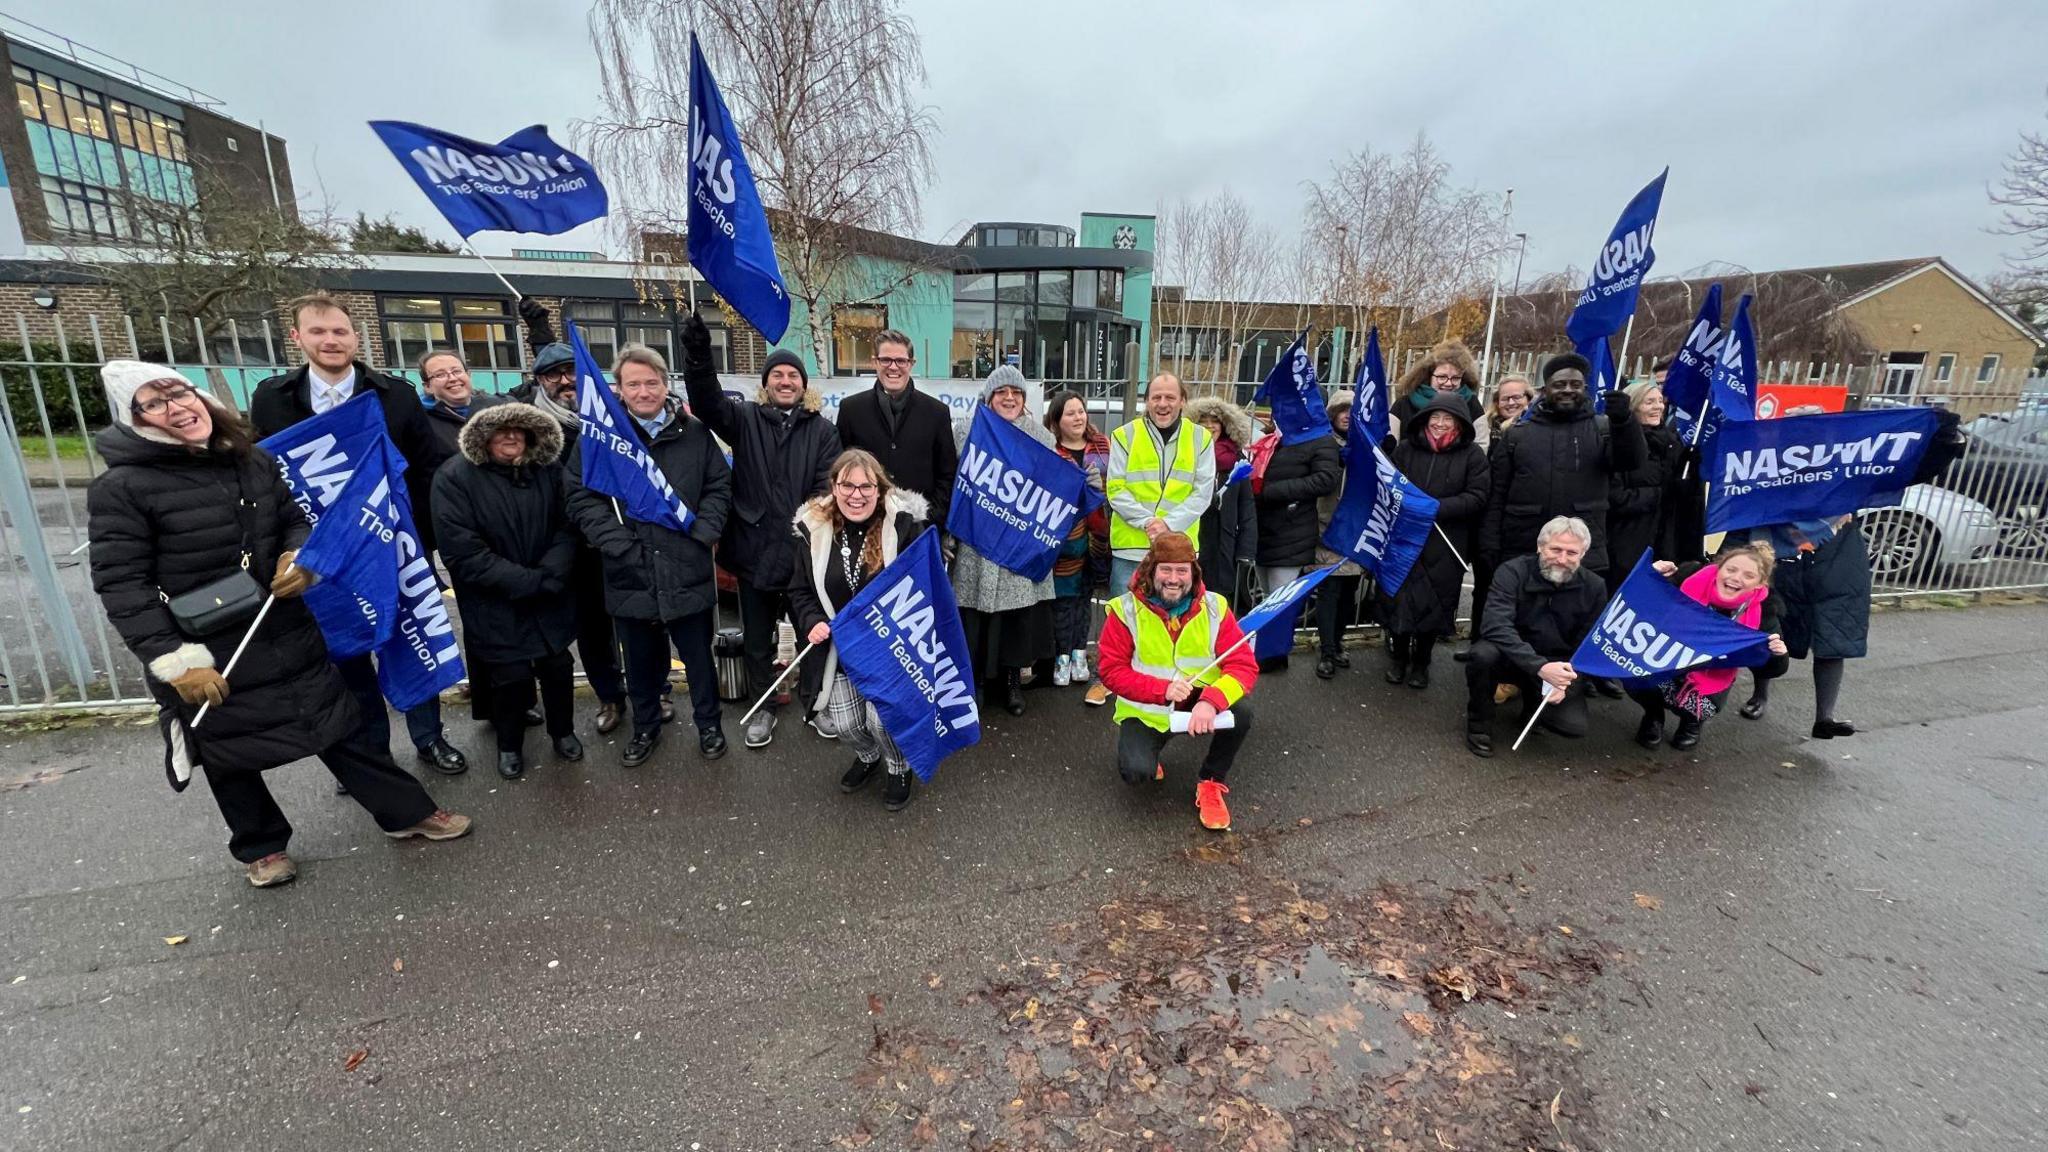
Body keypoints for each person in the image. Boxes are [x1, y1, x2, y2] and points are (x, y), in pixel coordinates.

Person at [87, 362, 470, 888]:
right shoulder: (122, 488)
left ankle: (405, 814)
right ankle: (261, 847)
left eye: (178, 392)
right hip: (205, 645)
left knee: (339, 725)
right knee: (227, 752)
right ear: (138, 422)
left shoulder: (252, 460)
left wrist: (298, 554)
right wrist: (176, 660)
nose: (175, 408)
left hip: (282, 624)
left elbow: (292, 515)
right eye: (153, 403)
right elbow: (121, 584)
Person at [248, 293, 466, 777]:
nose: (331, 340)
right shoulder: (272, 398)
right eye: (319, 331)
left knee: (412, 641)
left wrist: (424, 541)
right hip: (322, 556)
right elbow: (267, 480)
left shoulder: (395, 395)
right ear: (297, 337)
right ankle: (373, 756)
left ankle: (430, 739)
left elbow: (427, 469)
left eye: (340, 331)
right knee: (347, 657)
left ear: (356, 337)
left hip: (394, 547)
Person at [565, 343, 733, 766]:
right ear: (618, 389)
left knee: (698, 659)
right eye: (634, 383)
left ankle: (710, 725)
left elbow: (718, 485)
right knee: (639, 663)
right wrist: (616, 542)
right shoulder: (599, 438)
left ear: (665, 384)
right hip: (629, 569)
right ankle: (645, 729)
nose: (644, 391)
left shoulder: (693, 432)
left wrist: (704, 531)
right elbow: (581, 497)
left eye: (651, 382)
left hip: (686, 563)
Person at [680, 313, 840, 748]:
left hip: (804, 557)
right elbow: (707, 401)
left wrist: (800, 531)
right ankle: (763, 708)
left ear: (804, 385)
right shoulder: (744, 418)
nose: (785, 381)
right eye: (777, 374)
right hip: (752, 552)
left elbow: (826, 486)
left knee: (813, 635)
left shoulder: (823, 430)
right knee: (757, 641)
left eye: (793, 375)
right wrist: (698, 354)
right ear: (766, 383)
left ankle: (816, 703)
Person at [1479, 352, 1643, 698]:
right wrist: (1490, 542)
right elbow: (1497, 494)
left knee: (1580, 614)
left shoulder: (1602, 429)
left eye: (1575, 384)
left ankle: (1582, 675)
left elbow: (1631, 461)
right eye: (1559, 384)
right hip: (1524, 541)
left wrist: (1625, 421)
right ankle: (1514, 675)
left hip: (1583, 548)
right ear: (1544, 389)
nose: (1567, 390)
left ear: (1585, 388)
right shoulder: (1518, 434)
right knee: (1522, 612)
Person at [431, 402, 582, 779]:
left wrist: (552, 572)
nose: (511, 436)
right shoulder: (454, 478)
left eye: (519, 429)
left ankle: (563, 732)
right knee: (509, 678)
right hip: (494, 601)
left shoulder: (549, 471)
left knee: (558, 667)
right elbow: (462, 551)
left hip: (549, 595)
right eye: (501, 430)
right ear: (483, 436)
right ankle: (509, 746)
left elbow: (568, 525)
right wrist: (527, 580)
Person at [787, 450, 931, 812]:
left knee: (881, 721)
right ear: (834, 487)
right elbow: (799, 590)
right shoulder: (813, 531)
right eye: (847, 485)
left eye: (865, 485)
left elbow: (926, 588)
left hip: (889, 649)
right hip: (840, 649)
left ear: (879, 488)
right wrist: (811, 622)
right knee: (847, 724)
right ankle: (868, 756)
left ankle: (899, 766)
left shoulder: (905, 527)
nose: (856, 494)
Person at [1096, 531, 1258, 832]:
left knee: (1242, 712)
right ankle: (1150, 752)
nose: (1174, 578)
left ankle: (1211, 782)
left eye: (1182, 570)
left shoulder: (1215, 606)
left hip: (1198, 700)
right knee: (1136, 773)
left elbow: (1242, 664)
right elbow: (1111, 670)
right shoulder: (1125, 610)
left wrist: (1212, 702)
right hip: (1148, 708)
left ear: (1193, 573)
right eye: (1166, 569)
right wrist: (1162, 690)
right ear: (1151, 570)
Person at [946, 366, 1058, 715]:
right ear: (989, 397)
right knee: (975, 619)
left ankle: (1012, 683)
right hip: (977, 542)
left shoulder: (1042, 438)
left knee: (1016, 620)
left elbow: (1052, 490)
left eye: (1016, 392)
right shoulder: (964, 431)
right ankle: (977, 682)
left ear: (1024, 399)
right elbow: (953, 483)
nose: (1009, 398)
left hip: (1018, 543)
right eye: (1001, 392)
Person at [1465, 517, 1608, 758]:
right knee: (1482, 654)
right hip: (1512, 655)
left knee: (1572, 727)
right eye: (1555, 549)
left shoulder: (1595, 586)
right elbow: (1495, 626)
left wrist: (1568, 682)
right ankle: (1479, 725)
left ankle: (1532, 707)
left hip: (1557, 661)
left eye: (1572, 552)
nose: (1562, 559)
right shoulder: (1512, 571)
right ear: (1540, 546)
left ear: (1582, 554)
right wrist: (1539, 667)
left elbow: (1588, 644)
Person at [1377, 394, 1490, 689]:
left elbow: (1477, 496)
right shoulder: (1406, 450)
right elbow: (1390, 486)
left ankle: (1422, 663)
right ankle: (1399, 659)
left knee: (1434, 603)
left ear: (1459, 423)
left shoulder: (1472, 456)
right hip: (1404, 539)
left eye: (1448, 419)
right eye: (1435, 418)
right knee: (1400, 601)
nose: (1440, 424)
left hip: (1445, 543)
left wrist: (1437, 508)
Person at [1630, 546, 1790, 750]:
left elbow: (1768, 668)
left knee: (1702, 706)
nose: (1736, 578)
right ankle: (1653, 716)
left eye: (1748, 575)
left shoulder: (1765, 613)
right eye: (1731, 570)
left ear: (1760, 584)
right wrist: (1650, 575)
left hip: (1707, 679)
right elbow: (1642, 604)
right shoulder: (1687, 577)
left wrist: (1778, 654)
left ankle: (1691, 722)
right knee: (1632, 673)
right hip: (1665, 660)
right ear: (1718, 568)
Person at [1106, 373, 1216, 598]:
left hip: (1179, 552)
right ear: (1146, 401)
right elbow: (1115, 490)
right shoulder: (1124, 435)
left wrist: (1167, 524)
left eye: (1170, 397)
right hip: (1131, 551)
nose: (1162, 404)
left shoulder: (1201, 438)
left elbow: (1203, 493)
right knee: (1125, 624)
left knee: (1177, 626)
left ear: (1183, 401)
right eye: (1156, 397)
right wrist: (1148, 522)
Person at [834, 329, 957, 523]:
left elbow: (947, 475)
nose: (893, 367)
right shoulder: (851, 409)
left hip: (919, 530)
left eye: (901, 361)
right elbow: (839, 469)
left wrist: (930, 519)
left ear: (911, 364)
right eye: (886, 360)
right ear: (875, 362)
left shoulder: (936, 412)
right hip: (867, 525)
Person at [1044, 390, 1110, 688]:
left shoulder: (1102, 445)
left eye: (1081, 411)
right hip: (1064, 540)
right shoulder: (1050, 451)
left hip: (1098, 537)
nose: (1078, 417)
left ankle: (1080, 653)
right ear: (1056, 420)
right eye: (1070, 413)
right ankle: (1061, 657)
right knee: (1063, 601)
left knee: (1086, 598)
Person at [1605, 380, 1683, 592]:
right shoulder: (1618, 444)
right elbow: (1614, 497)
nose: (1658, 407)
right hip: (1625, 541)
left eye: (1660, 401)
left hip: (1663, 539)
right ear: (1633, 406)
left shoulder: (1673, 444)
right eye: (1649, 402)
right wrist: (1656, 495)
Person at [1184, 395, 1259, 613]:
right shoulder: (1185, 457)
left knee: (1219, 606)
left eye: (1214, 421)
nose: (1209, 426)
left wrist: (1246, 551)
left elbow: (1247, 508)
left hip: (1224, 545)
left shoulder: (1236, 460)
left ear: (1225, 426)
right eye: (1203, 421)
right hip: (1191, 541)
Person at [1313, 390, 1364, 680]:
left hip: (1357, 531)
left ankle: (1340, 639)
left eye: (1352, 410)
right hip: (1328, 528)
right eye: (1341, 410)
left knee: (1349, 593)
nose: (1346, 415)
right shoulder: (1322, 444)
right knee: (1329, 592)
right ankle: (1327, 650)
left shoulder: (1366, 447)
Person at [418, 347, 509, 469]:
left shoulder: (499, 408)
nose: (452, 378)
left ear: (468, 374)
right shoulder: (421, 422)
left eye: (457, 371)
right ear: (427, 386)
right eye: (440, 374)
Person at [1391, 340, 1486, 438]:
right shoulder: (1404, 404)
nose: (1448, 383)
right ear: (1429, 376)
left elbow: (1481, 443)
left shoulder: (1472, 404)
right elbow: (1390, 442)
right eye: (1442, 377)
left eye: (1455, 378)